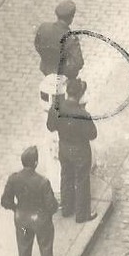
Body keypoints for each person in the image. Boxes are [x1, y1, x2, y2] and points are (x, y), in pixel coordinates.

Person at [0, 145, 59, 256]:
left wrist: (16, 209)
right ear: (35, 163)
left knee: (24, 246)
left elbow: (5, 201)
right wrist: (47, 213)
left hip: (22, 220)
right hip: (40, 220)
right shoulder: (42, 182)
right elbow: (52, 205)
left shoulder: (13, 179)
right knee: (45, 246)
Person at [46, 77, 98, 223]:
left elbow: (50, 126)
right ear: (80, 94)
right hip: (80, 150)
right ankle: (82, 214)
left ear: (67, 92)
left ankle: (67, 208)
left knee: (66, 176)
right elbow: (92, 134)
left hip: (64, 147)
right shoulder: (83, 114)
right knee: (82, 180)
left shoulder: (56, 109)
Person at [34, 0, 84, 79]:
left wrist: (46, 58)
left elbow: (37, 45)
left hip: (47, 70)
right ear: (71, 18)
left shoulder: (44, 27)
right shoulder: (71, 38)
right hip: (64, 76)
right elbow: (79, 63)